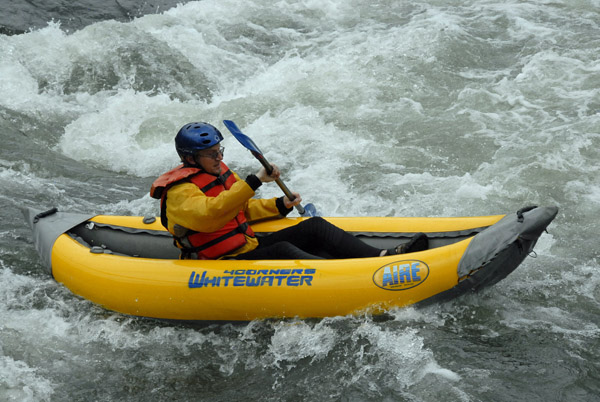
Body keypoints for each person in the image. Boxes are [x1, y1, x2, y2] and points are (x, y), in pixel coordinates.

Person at [150, 122, 428, 260]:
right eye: (211, 154)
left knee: (315, 227)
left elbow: (242, 210)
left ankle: (382, 257)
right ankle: (349, 277)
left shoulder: (221, 173)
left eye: (219, 151)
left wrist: (280, 205)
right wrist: (255, 181)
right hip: (222, 261)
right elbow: (210, 215)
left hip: (247, 244)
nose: (219, 158)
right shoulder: (179, 193)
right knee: (284, 249)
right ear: (190, 158)